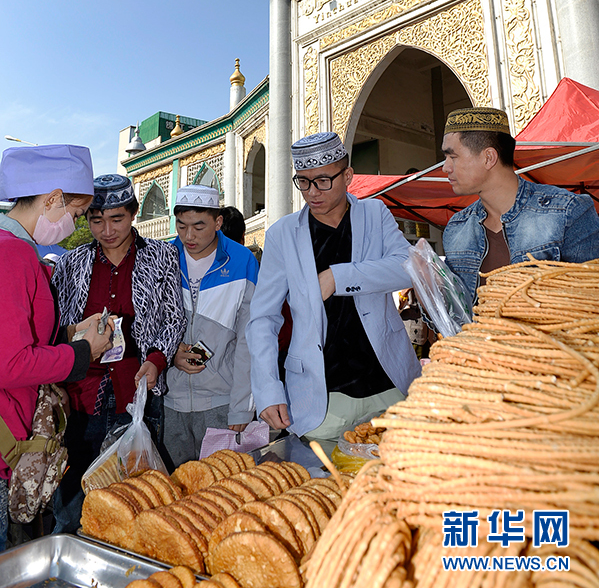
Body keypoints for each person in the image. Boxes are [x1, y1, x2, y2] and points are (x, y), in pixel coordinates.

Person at [246, 131, 421, 441]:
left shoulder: (375, 214)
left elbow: (407, 267)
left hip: (388, 382)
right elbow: (263, 319)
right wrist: (268, 388)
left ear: (348, 175)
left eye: (324, 180)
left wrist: (339, 277)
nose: (313, 192)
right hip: (320, 396)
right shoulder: (282, 235)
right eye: (304, 181)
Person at [51, 174, 185, 532]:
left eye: (117, 219)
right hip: (81, 395)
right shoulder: (71, 264)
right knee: (73, 497)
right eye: (96, 220)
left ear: (134, 213)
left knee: (131, 497)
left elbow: (173, 317)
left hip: (136, 392)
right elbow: (57, 326)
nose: (107, 230)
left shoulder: (160, 257)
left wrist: (157, 360)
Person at [0, 145, 113, 551]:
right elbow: (10, 363)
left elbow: (14, 336)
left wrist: (68, 335)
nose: (74, 224)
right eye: (78, 215)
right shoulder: (11, 253)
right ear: (52, 200)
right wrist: (83, 354)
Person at [441, 106, 599, 302]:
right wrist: (430, 290)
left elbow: (591, 302)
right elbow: (454, 314)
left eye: (453, 157)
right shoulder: (457, 228)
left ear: (488, 158)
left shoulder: (567, 212)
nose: (445, 167)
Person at [163, 185, 259, 467]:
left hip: (222, 403)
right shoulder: (164, 258)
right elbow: (148, 325)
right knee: (176, 496)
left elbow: (250, 339)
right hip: (171, 403)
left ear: (218, 222)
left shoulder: (242, 261)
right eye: (181, 226)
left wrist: (242, 407)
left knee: (224, 494)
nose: (188, 237)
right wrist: (171, 353)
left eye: (198, 226)